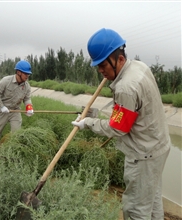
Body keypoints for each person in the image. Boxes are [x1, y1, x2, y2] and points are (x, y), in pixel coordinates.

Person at [71, 28, 171, 220]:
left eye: (103, 65)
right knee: (152, 200)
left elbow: (117, 128)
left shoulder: (126, 87)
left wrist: (88, 123)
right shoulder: (139, 67)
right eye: (98, 66)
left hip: (143, 155)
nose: (100, 71)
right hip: (160, 146)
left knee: (136, 208)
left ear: (120, 59)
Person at [0, 60, 34, 151]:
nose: (27, 76)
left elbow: (27, 99)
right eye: (25, 74)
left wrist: (29, 108)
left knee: (17, 133)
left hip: (15, 111)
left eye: (28, 74)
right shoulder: (6, 81)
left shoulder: (27, 86)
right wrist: (2, 106)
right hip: (1, 110)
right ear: (18, 72)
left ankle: (13, 152)